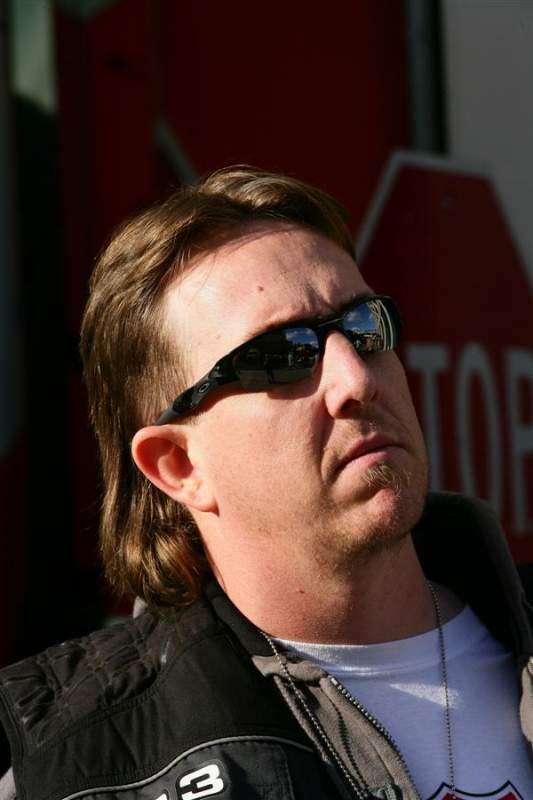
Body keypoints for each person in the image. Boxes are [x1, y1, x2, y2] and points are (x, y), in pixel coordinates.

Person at [1, 167, 532, 800]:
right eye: (282, 356)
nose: (356, 381)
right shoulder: (72, 770)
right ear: (179, 466)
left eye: (365, 327)